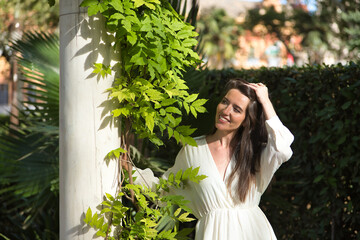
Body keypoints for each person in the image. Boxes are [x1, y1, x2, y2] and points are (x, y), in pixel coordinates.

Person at [134, 79, 294, 240]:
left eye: (237, 109)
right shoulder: (193, 150)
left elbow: (282, 148)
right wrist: (128, 170)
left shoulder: (255, 154)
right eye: (225, 102)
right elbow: (163, 189)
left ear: (246, 121)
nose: (226, 111)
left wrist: (265, 101)